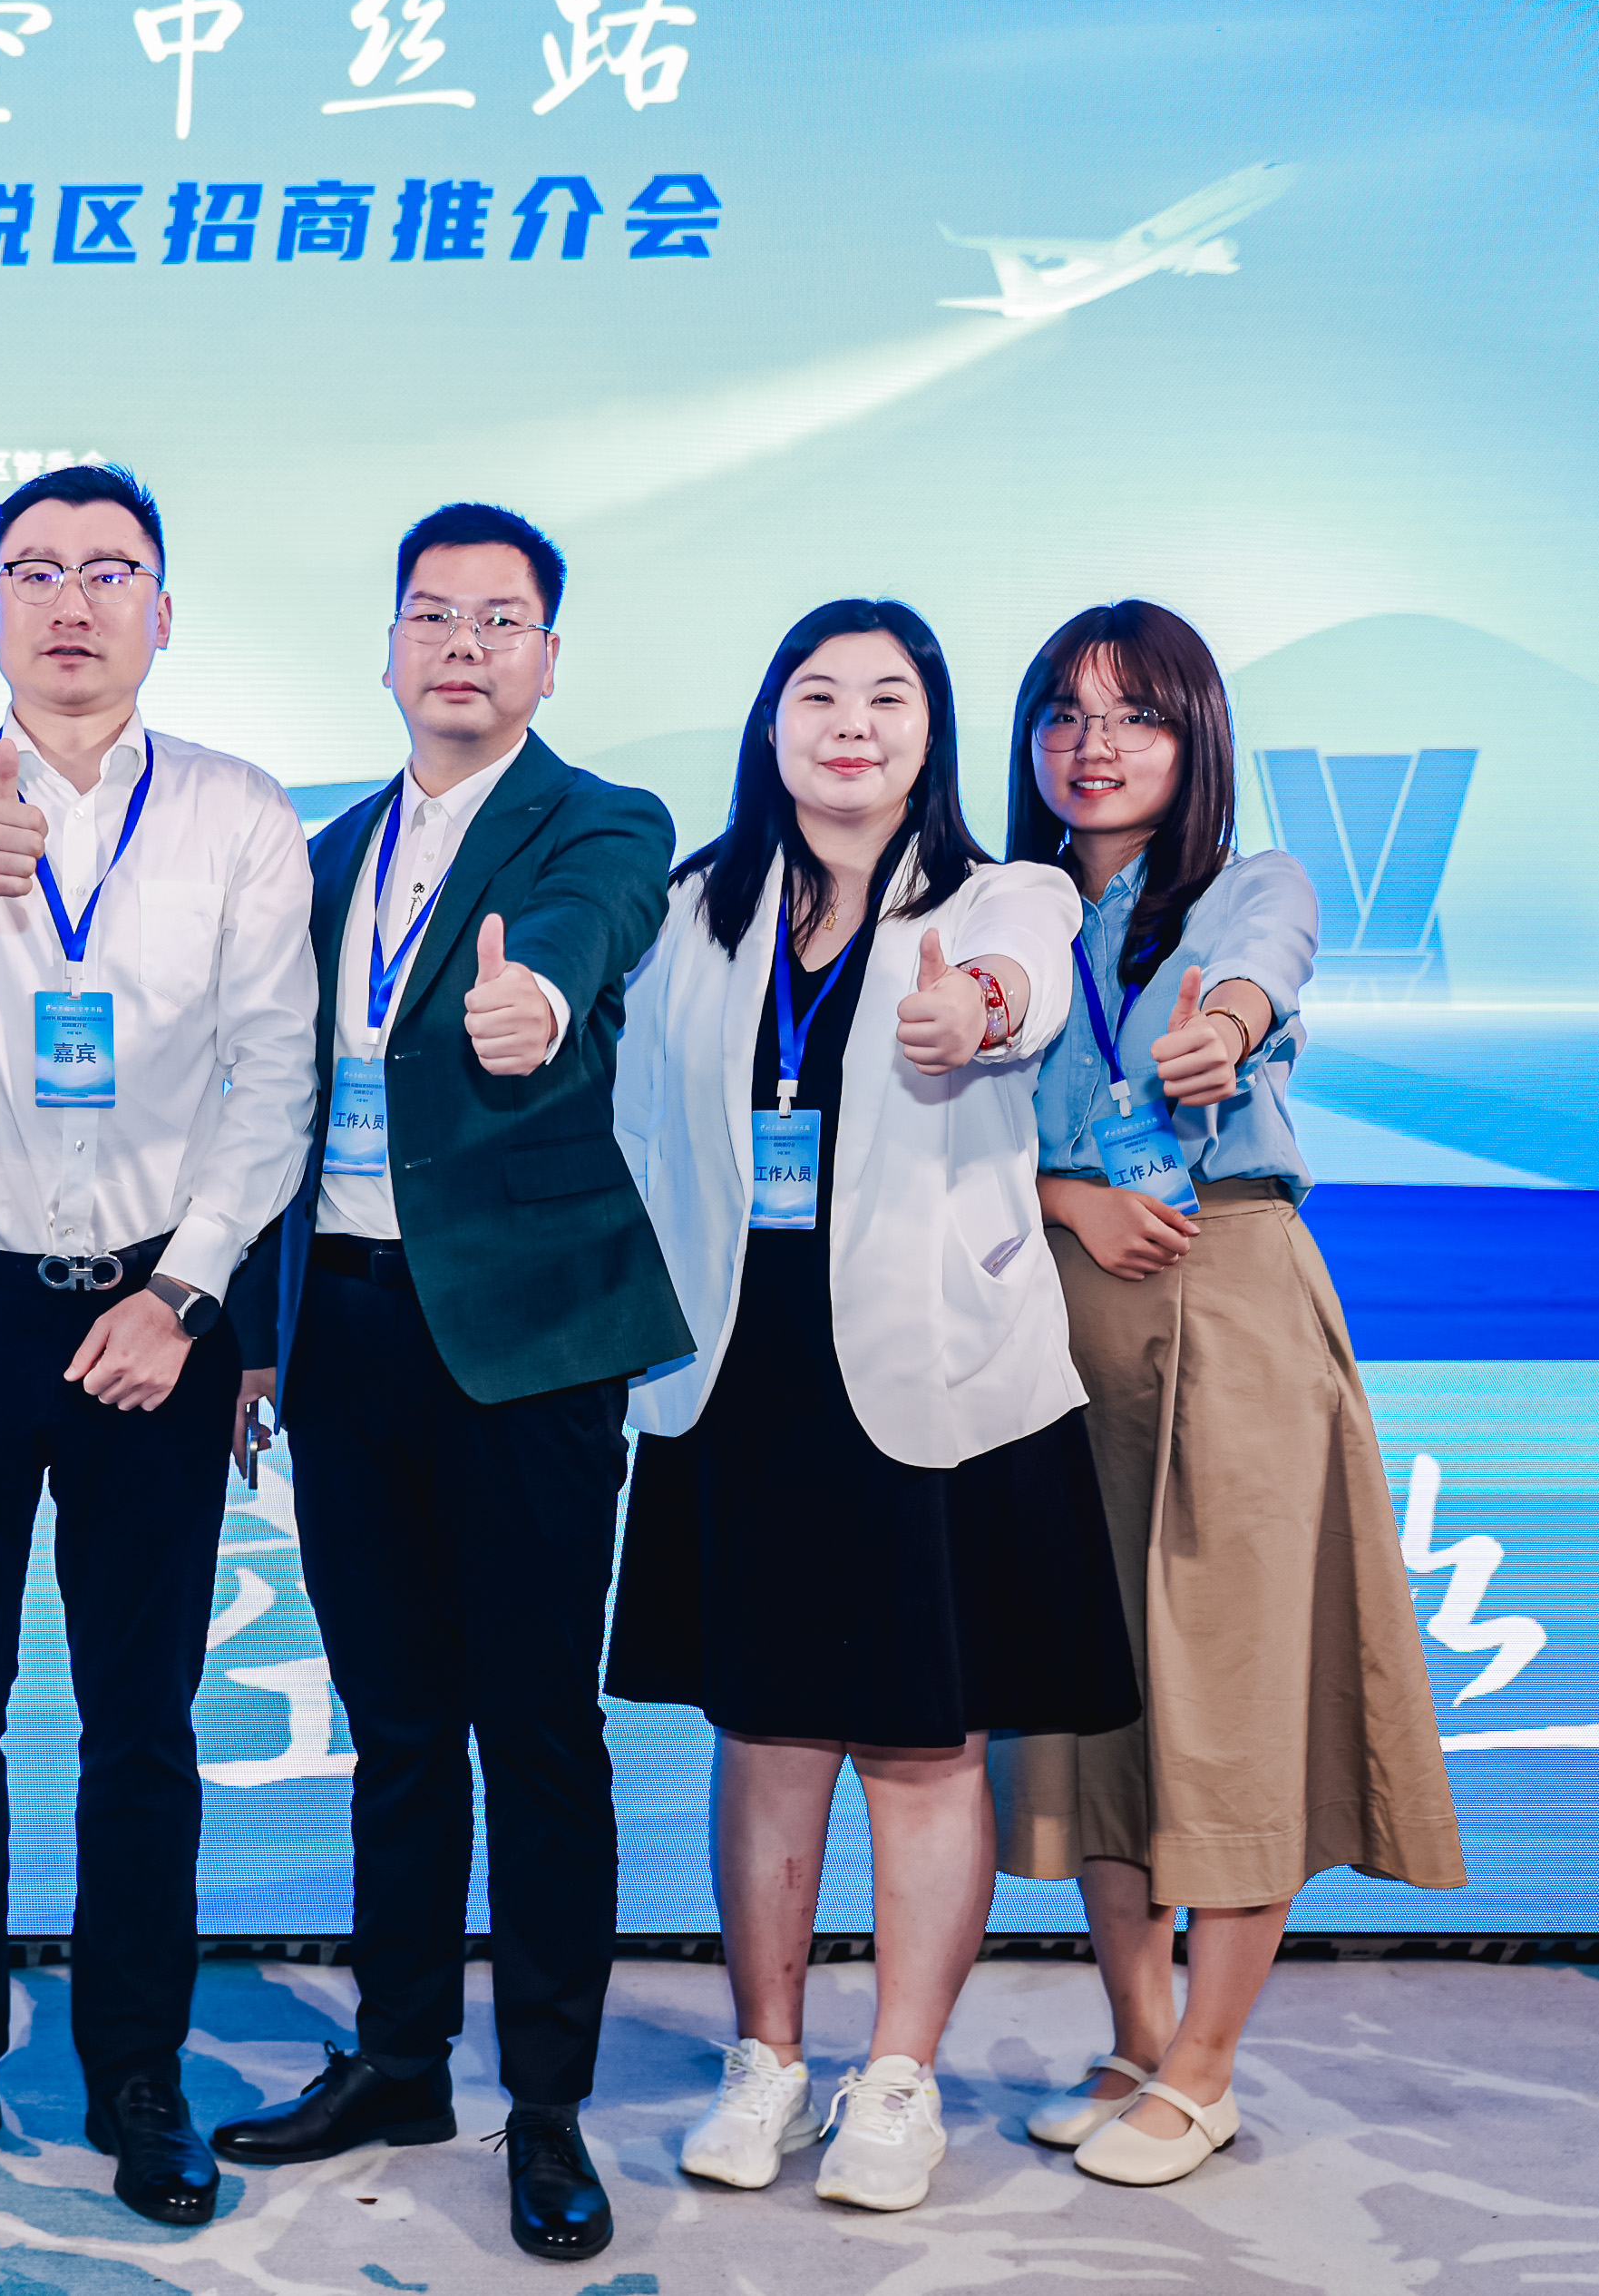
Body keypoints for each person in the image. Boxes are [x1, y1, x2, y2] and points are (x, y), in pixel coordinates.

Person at [0, 465, 315, 2230]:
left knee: (140, 1719)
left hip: (151, 1320)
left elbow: (275, 1074)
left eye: (110, 572)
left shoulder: (237, 811)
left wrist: (184, 1297)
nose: (72, 602)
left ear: (161, 611)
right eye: (34, 571)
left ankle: (136, 2073)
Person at [606, 599, 1136, 2215]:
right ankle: (767, 2057)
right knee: (766, 1734)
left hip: (934, 1375)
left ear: (931, 731)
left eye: (888, 697)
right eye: (819, 693)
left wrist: (978, 1010)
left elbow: (1024, 988)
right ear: (770, 723)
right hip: (739, 1367)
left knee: (921, 1742)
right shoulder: (695, 906)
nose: (852, 723)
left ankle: (899, 2076)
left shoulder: (1004, 893)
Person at [211, 503, 689, 2265]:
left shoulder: (602, 821)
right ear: (392, 647)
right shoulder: (325, 852)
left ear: (547, 656)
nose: (464, 645)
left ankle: (545, 2104)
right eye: (434, 614)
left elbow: (586, 928)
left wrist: (535, 1003)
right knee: (397, 1728)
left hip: (524, 1346)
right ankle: (399, 2059)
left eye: (500, 618)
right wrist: (256, 1333)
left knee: (537, 1732)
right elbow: (273, 1101)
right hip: (342, 1332)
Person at [986, 601, 1463, 2186]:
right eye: (1065, 712)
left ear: (1194, 739)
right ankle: (1137, 2034)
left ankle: (1206, 2064)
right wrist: (1069, 1199)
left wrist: (1224, 1033)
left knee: (1240, 1690)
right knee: (1091, 1692)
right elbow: (943, 1133)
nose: (1095, 744)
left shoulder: (1254, 883)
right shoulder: (1002, 911)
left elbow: (1260, 975)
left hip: (1231, 1287)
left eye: (1136, 714)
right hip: (1058, 1313)